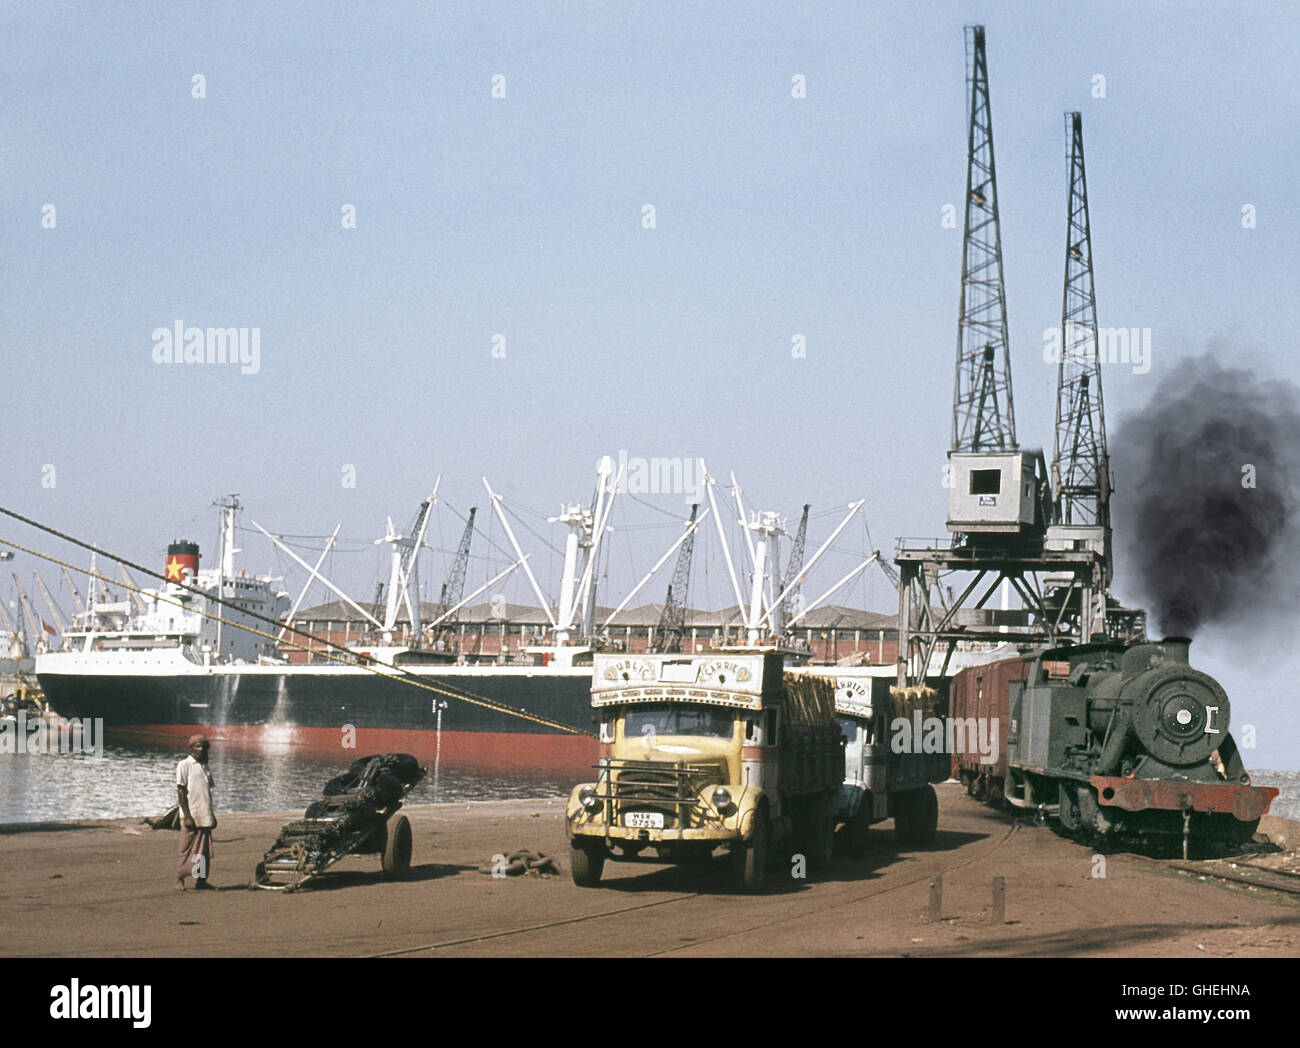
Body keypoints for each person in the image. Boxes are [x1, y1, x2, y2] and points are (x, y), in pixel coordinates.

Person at [176, 734, 216, 891]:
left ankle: (201, 881)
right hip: (191, 816)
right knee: (186, 849)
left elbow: (207, 793)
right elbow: (181, 791)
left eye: (204, 747)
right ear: (191, 748)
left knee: (204, 852)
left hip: (205, 816)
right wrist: (187, 816)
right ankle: (179, 879)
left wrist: (212, 815)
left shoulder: (205, 766)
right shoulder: (184, 765)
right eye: (198, 746)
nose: (201, 750)